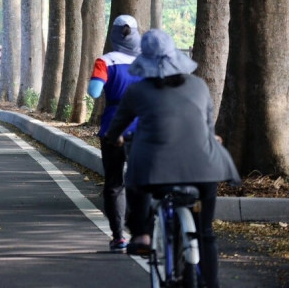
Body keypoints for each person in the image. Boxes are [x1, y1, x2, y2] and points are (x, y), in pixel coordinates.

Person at [105, 29, 240, 288]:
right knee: (206, 233)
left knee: (135, 178)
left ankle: (143, 234)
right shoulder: (199, 86)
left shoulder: (138, 91)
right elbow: (207, 126)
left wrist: (114, 138)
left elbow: (117, 126)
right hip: (206, 168)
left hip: (156, 169)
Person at [87, 14, 142, 252]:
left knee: (114, 183)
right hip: (144, 127)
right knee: (142, 181)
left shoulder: (105, 61)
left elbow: (94, 91)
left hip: (113, 127)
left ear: (113, 35)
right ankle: (143, 233)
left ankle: (119, 236)